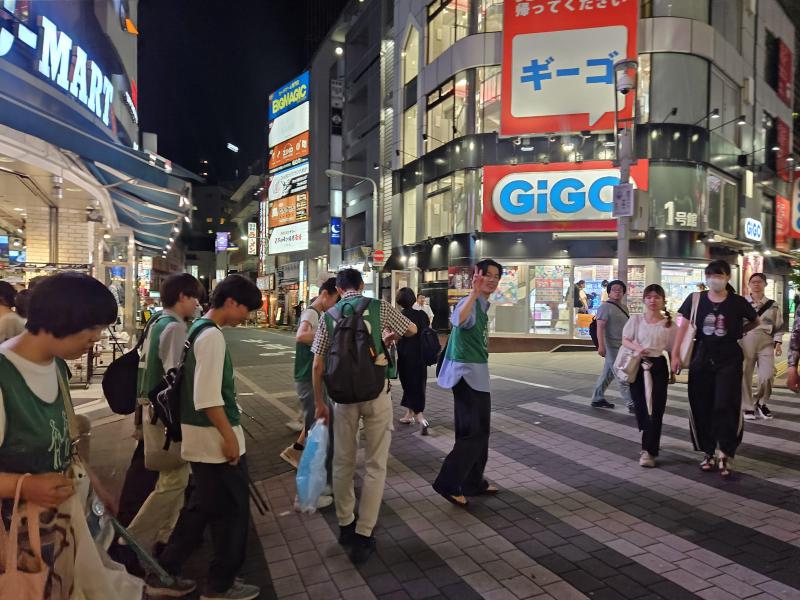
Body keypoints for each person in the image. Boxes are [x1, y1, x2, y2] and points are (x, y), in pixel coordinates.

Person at [0, 272, 145, 599]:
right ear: (61, 318)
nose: (96, 338)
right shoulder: (5, 376)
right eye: (91, 328)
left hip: (63, 528)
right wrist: (26, 485)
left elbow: (67, 444)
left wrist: (94, 486)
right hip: (20, 543)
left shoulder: (56, 366)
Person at [157, 274, 264, 600]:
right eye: (247, 309)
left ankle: (165, 570)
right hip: (216, 442)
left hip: (198, 439)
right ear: (231, 302)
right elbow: (207, 398)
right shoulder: (212, 337)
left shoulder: (196, 329)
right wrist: (229, 438)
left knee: (201, 509)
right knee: (232, 516)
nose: (247, 317)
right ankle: (220, 585)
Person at [311, 268, 416, 564]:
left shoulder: (328, 316)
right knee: (375, 465)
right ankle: (364, 532)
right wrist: (389, 335)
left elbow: (318, 365)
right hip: (376, 395)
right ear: (360, 285)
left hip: (342, 399)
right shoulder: (378, 307)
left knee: (343, 462)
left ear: (341, 289)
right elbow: (413, 330)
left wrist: (319, 402)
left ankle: (345, 524)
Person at [125, 274, 203, 562]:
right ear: (182, 296)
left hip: (149, 412)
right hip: (164, 418)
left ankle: (164, 538)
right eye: (194, 297)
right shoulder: (174, 328)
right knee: (173, 479)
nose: (197, 303)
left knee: (176, 478)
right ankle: (134, 540)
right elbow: (175, 379)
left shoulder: (156, 322)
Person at [671, 260, 758, 479]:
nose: (714, 279)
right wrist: (674, 354)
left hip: (729, 359)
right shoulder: (695, 299)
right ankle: (708, 452)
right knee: (702, 405)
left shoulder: (737, 302)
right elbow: (683, 327)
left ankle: (725, 452)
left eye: (718, 275)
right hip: (701, 358)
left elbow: (755, 322)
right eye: (710, 275)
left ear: (728, 277)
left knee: (725, 404)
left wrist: (738, 331)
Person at [433, 260, 502, 508]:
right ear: (476, 276)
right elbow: (458, 321)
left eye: (496, 276)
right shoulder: (470, 302)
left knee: (477, 433)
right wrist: (472, 292)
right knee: (474, 434)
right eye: (487, 275)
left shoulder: (483, 305)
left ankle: (473, 482)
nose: (492, 280)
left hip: (477, 377)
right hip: (467, 377)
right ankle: (448, 483)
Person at [280, 278, 339, 510]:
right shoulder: (312, 314)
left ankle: (319, 487)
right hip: (308, 379)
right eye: (334, 298)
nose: (335, 304)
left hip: (311, 380)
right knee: (319, 437)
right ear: (325, 294)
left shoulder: (317, 314)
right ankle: (308, 494)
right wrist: (331, 336)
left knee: (321, 433)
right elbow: (302, 335)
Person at [620, 285, 677, 468]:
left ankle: (649, 451)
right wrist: (638, 349)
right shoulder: (636, 320)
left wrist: (675, 364)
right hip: (638, 365)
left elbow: (672, 349)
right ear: (644, 300)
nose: (653, 300)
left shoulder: (669, 324)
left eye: (657, 297)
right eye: (649, 297)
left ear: (663, 300)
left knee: (656, 409)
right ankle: (649, 441)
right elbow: (625, 339)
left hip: (658, 366)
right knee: (642, 408)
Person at [741, 273, 783, 421]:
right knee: (744, 375)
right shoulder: (742, 303)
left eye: (759, 282)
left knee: (768, 375)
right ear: (749, 285)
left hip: (766, 342)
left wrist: (778, 343)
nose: (756, 284)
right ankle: (747, 407)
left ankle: (761, 402)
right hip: (745, 341)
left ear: (765, 284)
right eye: (753, 282)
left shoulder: (773, 304)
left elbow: (778, 325)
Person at [590, 280, 633, 411]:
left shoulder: (624, 307)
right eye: (614, 289)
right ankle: (631, 403)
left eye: (620, 289)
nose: (617, 291)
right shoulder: (604, 307)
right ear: (609, 292)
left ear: (624, 292)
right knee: (621, 374)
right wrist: (601, 346)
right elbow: (600, 327)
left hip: (622, 347)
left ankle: (597, 398)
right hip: (611, 347)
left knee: (608, 374)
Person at [397, 287, 431, 433]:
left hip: (406, 356)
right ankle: (410, 413)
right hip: (422, 355)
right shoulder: (422, 314)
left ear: (399, 301)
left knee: (408, 384)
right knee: (418, 383)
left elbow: (398, 336)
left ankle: (419, 416)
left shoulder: (401, 315)